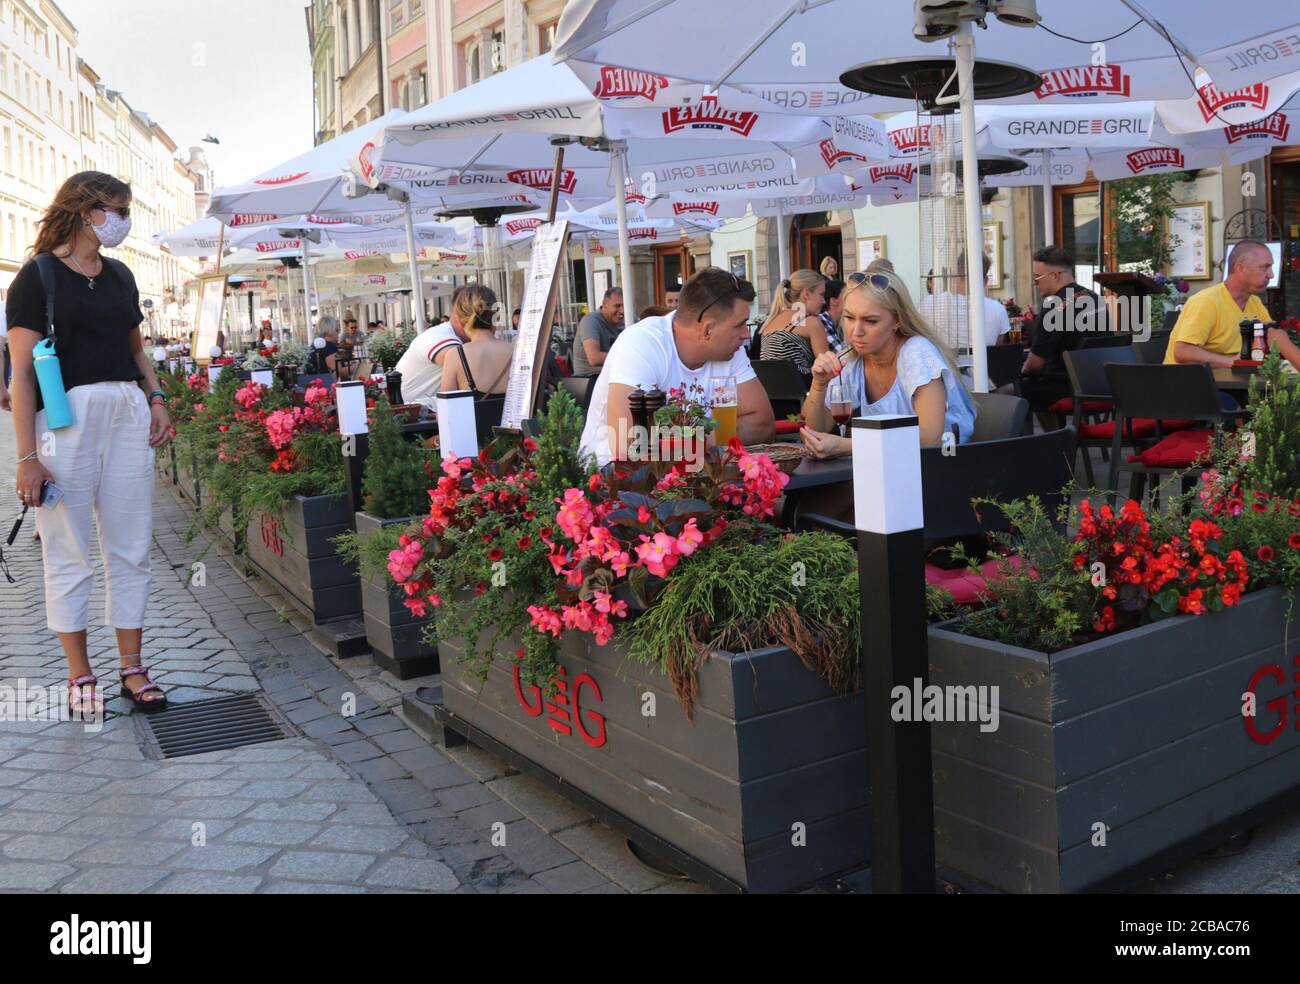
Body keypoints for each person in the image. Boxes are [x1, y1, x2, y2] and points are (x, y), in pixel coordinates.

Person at [6, 170, 175, 714]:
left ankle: (132, 665)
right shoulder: (36, 277)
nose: (122, 221)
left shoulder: (121, 275)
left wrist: (156, 397)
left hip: (126, 409)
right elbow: (23, 375)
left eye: (126, 210)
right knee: (68, 550)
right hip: (65, 419)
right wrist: (27, 458)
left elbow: (137, 351)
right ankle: (80, 675)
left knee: (131, 545)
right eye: (114, 209)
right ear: (84, 210)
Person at [579, 267, 774, 466]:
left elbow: (763, 423)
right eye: (739, 325)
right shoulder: (642, 343)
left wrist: (695, 442)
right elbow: (628, 445)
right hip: (613, 478)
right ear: (708, 329)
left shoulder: (730, 349)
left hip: (699, 473)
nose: (746, 335)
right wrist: (715, 438)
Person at [800, 270, 977, 455]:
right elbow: (817, 429)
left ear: (897, 321)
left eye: (871, 321)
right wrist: (819, 385)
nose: (856, 331)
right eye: (849, 317)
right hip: (895, 468)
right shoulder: (853, 359)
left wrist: (846, 447)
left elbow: (930, 438)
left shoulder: (917, 353)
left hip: (946, 466)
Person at [1020, 245, 1106, 418]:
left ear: (1055, 276)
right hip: (1101, 382)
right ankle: (1058, 439)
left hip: (1068, 386)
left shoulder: (1054, 308)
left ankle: (1051, 440)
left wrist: (1021, 370)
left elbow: (1034, 365)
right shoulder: (1094, 297)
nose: (1035, 284)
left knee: (1014, 389)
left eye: (1037, 278)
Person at [1166, 240, 1273, 367]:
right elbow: (1183, 352)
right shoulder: (1206, 302)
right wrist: (1232, 362)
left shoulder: (1254, 302)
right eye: (1264, 267)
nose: (1271, 275)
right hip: (1187, 383)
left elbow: (1272, 339)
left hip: (1232, 380)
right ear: (1240, 269)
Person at [395, 284, 486, 407]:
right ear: (457, 312)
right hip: (412, 419)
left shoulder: (456, 338)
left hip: (427, 415)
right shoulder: (440, 336)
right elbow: (467, 367)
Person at [918, 251, 1011, 355]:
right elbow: (998, 352)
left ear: (956, 274)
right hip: (984, 370)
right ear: (985, 281)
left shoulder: (927, 303)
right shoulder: (998, 310)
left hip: (942, 368)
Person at [441, 287, 513, 395]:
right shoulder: (518, 352)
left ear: (460, 320)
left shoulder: (455, 356)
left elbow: (447, 408)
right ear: (496, 317)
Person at [758, 269, 829, 376]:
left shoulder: (772, 320)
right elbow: (827, 370)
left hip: (769, 391)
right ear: (806, 294)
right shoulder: (811, 322)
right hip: (804, 390)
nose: (824, 301)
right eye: (821, 295)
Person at [572, 287, 624, 376]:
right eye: (617, 306)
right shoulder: (590, 321)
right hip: (591, 380)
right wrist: (628, 358)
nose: (622, 311)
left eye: (625, 305)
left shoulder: (629, 318)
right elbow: (594, 358)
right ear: (604, 304)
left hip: (616, 375)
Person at [819, 279, 845, 352]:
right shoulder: (822, 320)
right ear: (833, 301)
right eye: (846, 295)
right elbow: (840, 353)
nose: (851, 298)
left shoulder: (837, 322)